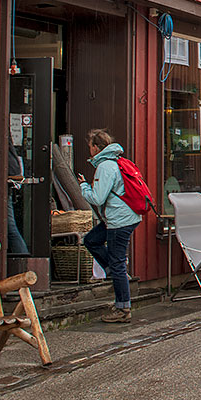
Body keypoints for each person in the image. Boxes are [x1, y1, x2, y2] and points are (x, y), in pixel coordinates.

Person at [79, 129, 141, 323]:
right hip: (122, 217)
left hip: (119, 221)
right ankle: (112, 270)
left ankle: (123, 309)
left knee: (118, 263)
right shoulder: (116, 161)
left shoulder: (105, 166)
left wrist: (83, 186)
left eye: (89, 146)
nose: (88, 150)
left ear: (96, 147)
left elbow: (97, 198)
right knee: (91, 240)